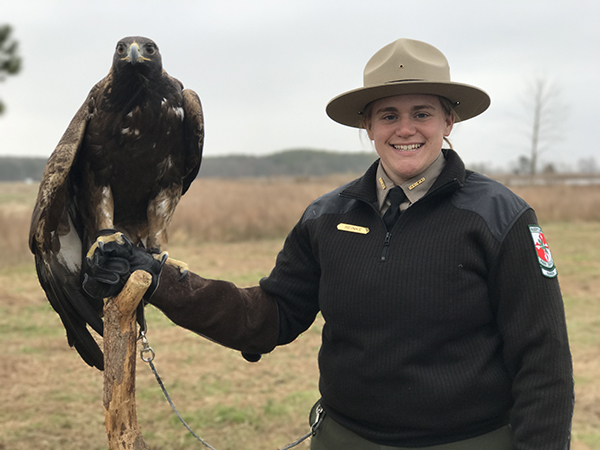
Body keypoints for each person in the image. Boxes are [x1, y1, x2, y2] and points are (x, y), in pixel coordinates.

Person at [88, 38, 574, 449]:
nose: (405, 129)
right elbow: (267, 316)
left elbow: (544, 362)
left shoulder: (501, 217)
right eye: (388, 115)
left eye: (422, 113)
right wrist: (157, 279)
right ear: (368, 127)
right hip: (345, 439)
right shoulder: (326, 217)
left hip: (469, 441)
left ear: (449, 122)